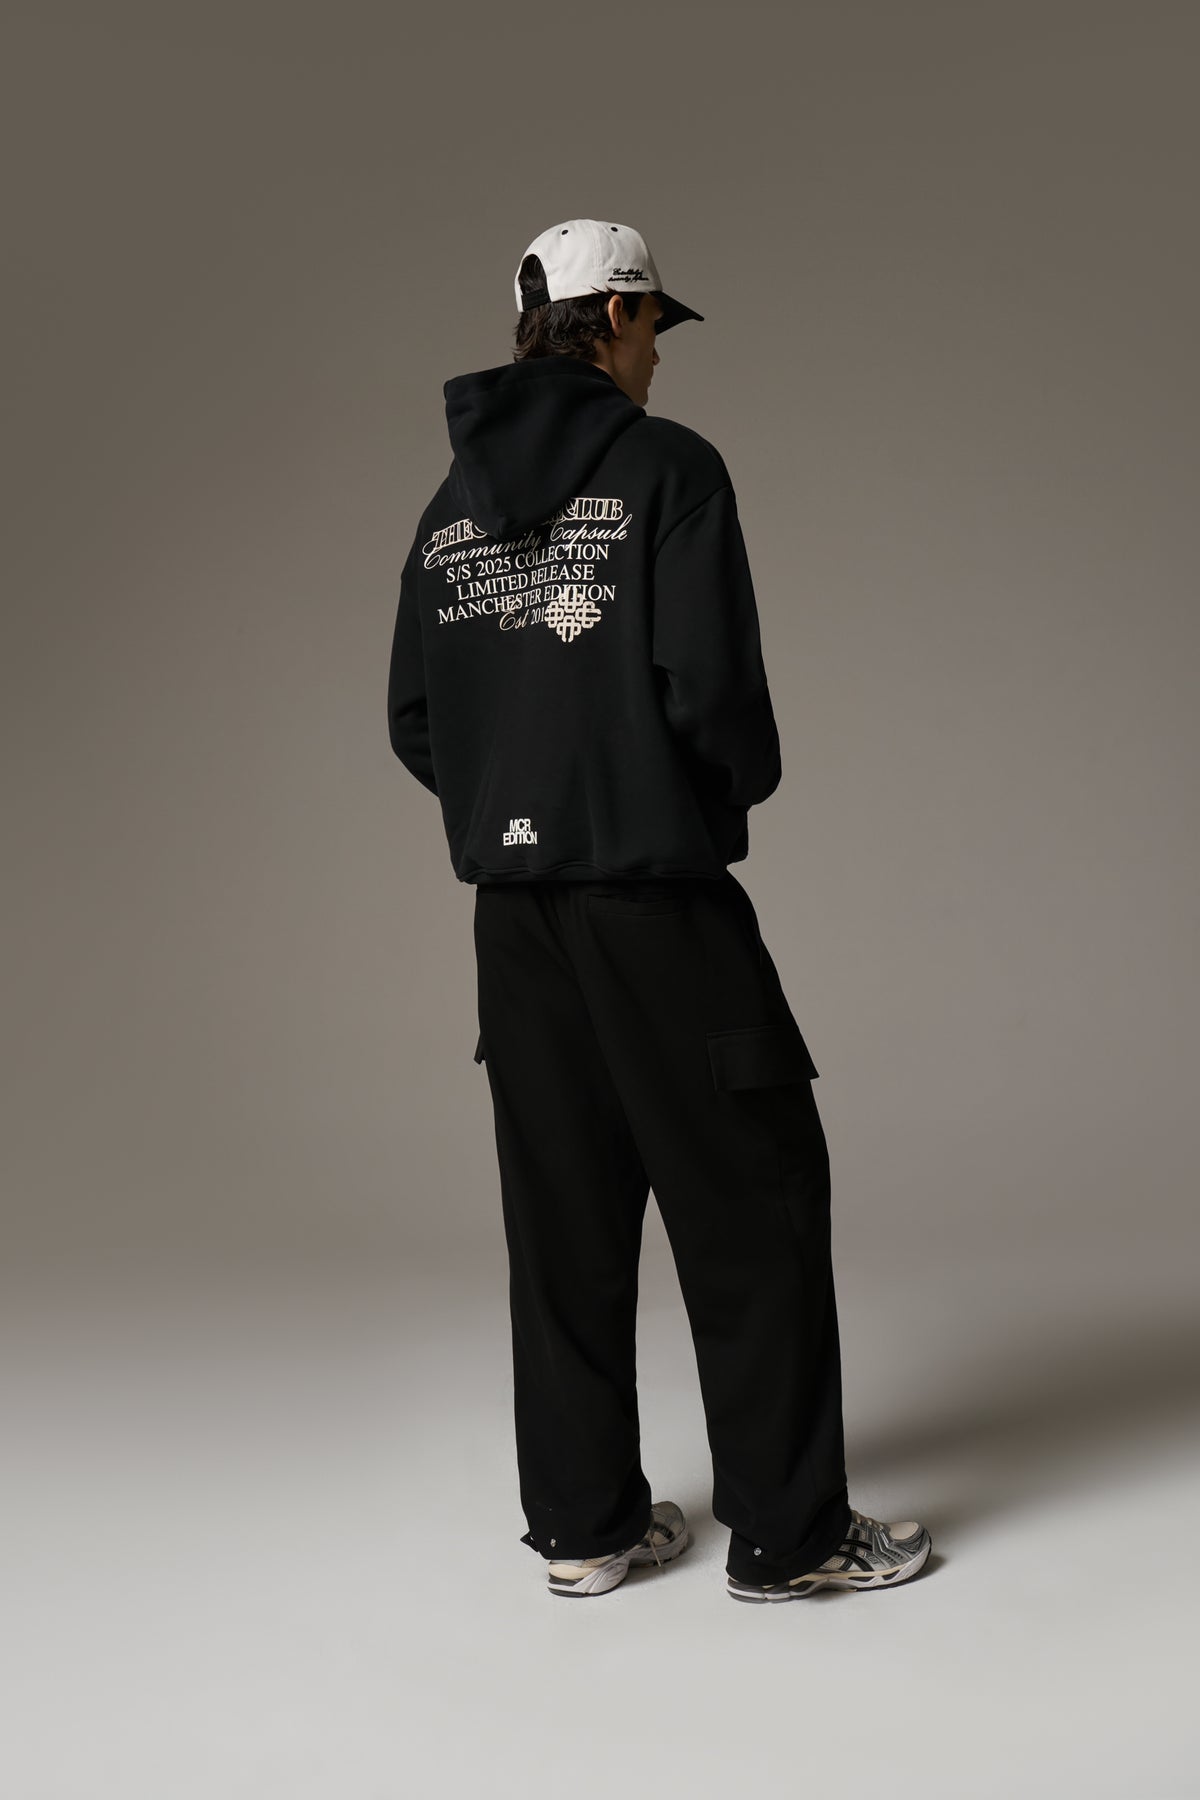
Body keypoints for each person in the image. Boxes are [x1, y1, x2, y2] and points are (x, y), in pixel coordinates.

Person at [386, 218, 932, 1602]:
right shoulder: (670, 470)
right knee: (755, 1199)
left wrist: (515, 799)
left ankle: (584, 1528)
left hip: (514, 923)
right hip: (655, 901)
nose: (656, 357)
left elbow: (413, 718)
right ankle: (791, 1538)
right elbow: (715, 694)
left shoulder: (448, 509)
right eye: (652, 328)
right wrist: (682, 799)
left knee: (562, 1222)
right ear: (619, 316)